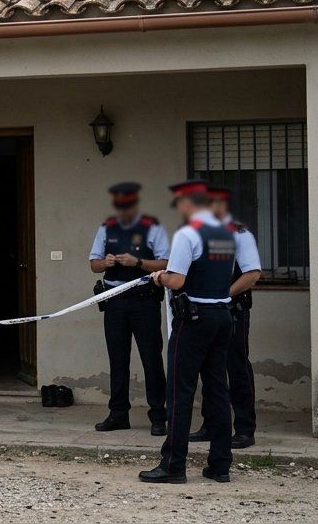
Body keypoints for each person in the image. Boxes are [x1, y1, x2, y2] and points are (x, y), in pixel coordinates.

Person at [139, 179, 236, 484]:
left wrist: (158, 278)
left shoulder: (188, 233)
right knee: (218, 391)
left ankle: (173, 465)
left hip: (194, 320)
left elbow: (177, 280)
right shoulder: (225, 234)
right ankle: (220, 464)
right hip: (222, 315)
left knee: (180, 393)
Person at [88, 182, 169, 435]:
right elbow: (94, 264)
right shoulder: (106, 229)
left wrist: (139, 262)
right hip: (114, 299)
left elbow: (166, 263)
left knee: (151, 358)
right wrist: (106, 262)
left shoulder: (153, 228)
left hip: (144, 299)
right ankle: (118, 413)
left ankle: (158, 416)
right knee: (118, 359)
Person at [188, 185, 262, 449]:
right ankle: (212, 424)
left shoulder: (239, 235)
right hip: (204, 312)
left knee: (236, 366)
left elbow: (252, 274)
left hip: (232, 311)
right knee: (209, 369)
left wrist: (223, 296)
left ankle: (244, 428)